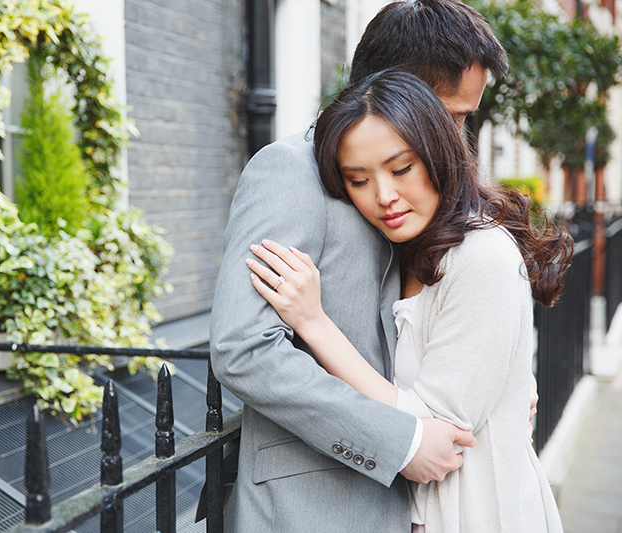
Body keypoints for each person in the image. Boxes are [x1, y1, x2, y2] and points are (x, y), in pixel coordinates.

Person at [210, 0, 510, 530]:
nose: (460, 138)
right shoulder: (291, 172)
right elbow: (244, 348)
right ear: (399, 91)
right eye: (452, 116)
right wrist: (399, 441)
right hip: (313, 507)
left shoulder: (423, 187)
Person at [247, 69, 570, 531]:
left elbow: (436, 434)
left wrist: (314, 324)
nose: (385, 196)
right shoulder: (402, 253)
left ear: (438, 153)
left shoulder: (482, 255)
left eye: (401, 170)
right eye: (358, 180)